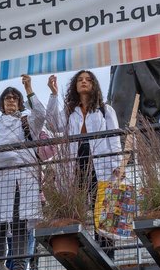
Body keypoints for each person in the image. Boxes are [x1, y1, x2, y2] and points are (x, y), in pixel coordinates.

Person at [0, 75, 46, 270]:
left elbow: (41, 113)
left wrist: (29, 88)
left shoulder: (27, 122)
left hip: (20, 178)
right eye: (7, 98)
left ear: (20, 102)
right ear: (2, 103)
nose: (11, 101)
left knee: (20, 223)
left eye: (14, 98)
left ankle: (19, 267)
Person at [46, 70, 122, 254]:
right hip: (76, 161)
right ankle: (81, 252)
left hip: (100, 161)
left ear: (94, 84)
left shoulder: (105, 109)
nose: (84, 82)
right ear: (75, 85)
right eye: (80, 80)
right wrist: (54, 95)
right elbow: (52, 125)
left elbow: (113, 137)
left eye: (88, 79)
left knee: (103, 205)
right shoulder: (69, 111)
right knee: (76, 204)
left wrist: (117, 164)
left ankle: (107, 252)